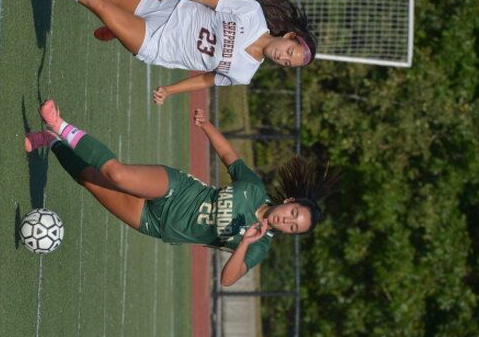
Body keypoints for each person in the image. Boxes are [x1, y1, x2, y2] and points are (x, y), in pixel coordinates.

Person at [24, 100, 339, 286]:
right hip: (177, 189)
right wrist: (207, 126)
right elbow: (229, 155)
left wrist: (243, 243)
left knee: (90, 180)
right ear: (289, 201)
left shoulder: (259, 246)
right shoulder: (254, 188)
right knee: (116, 174)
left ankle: (50, 141)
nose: (287, 221)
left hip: (158, 224)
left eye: (293, 227)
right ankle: (59, 123)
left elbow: (227, 279)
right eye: (294, 214)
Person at [25, 0, 318, 106]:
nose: (282, 58)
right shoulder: (252, 12)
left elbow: (208, 80)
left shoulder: (244, 73)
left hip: (158, 42)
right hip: (168, 7)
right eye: (289, 51)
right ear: (289, 36)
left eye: (287, 63)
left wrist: (170, 90)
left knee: (96, 2)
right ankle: (117, 27)